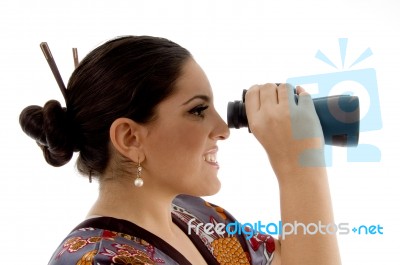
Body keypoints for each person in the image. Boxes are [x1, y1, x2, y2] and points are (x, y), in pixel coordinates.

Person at [19, 36, 341, 265]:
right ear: (130, 138)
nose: (223, 130)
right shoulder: (98, 259)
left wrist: (301, 161)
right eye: (198, 110)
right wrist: (298, 167)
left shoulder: (199, 216)